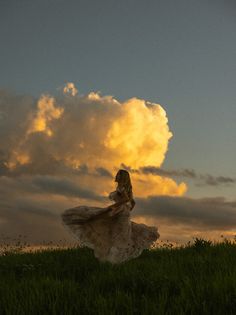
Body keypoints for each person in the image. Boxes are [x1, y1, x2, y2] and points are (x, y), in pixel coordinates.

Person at [61, 169, 159, 263]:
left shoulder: (121, 188)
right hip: (123, 212)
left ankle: (114, 261)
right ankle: (114, 261)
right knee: (118, 235)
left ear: (122, 177)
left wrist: (114, 206)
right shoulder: (126, 188)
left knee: (115, 234)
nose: (116, 176)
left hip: (120, 211)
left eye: (118, 175)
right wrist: (126, 210)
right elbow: (132, 203)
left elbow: (125, 199)